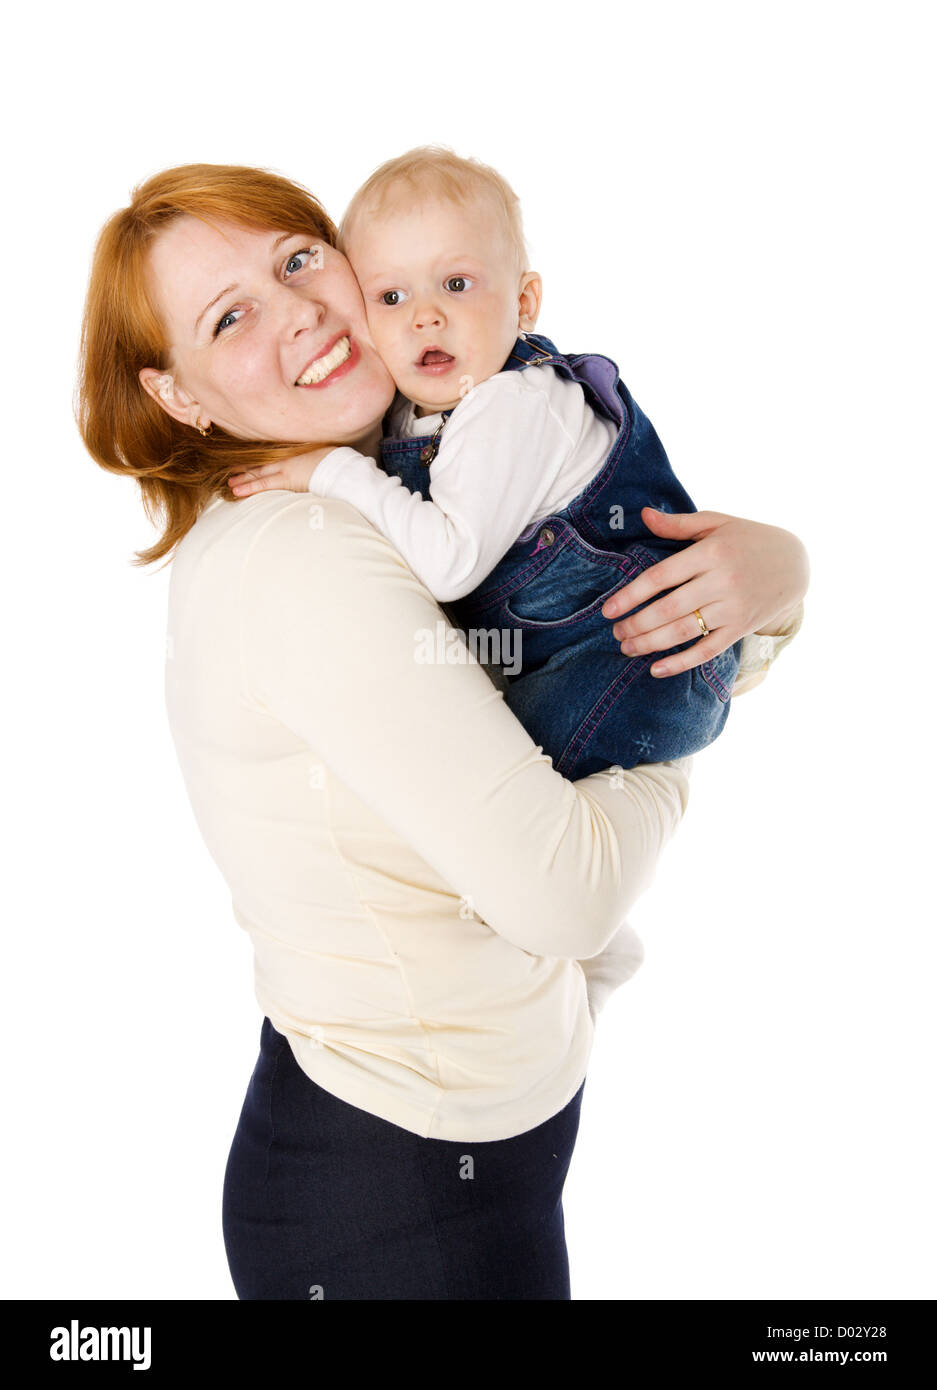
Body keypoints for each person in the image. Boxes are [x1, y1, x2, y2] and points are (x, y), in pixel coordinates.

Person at [76, 163, 808, 1300]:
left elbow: (539, 670)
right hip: (392, 1196)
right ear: (180, 397)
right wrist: (690, 719)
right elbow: (566, 889)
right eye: (231, 317)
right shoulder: (310, 548)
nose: (303, 313)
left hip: (439, 1153)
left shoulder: (396, 474)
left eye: (298, 259)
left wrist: (767, 584)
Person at [226, 146, 743, 778]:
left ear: (524, 303)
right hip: (566, 656)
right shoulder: (412, 407)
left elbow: (448, 565)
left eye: (457, 284)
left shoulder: (513, 404)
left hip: (650, 663)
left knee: (492, 774)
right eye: (390, 296)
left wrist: (333, 471)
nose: (425, 314)